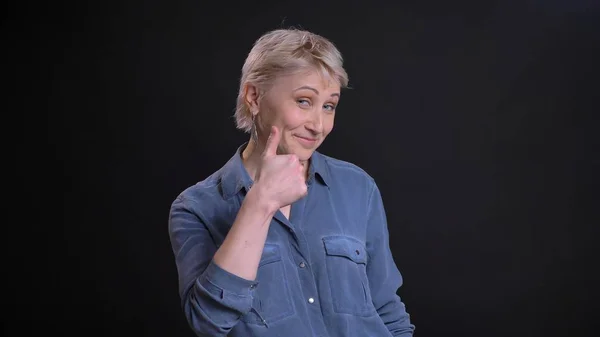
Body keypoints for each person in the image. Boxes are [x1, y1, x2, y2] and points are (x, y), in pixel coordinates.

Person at [168, 28, 415, 337]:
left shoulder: (358, 187)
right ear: (254, 97)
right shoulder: (197, 208)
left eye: (329, 106)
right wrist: (259, 205)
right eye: (303, 101)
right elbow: (209, 321)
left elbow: (388, 310)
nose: (318, 125)